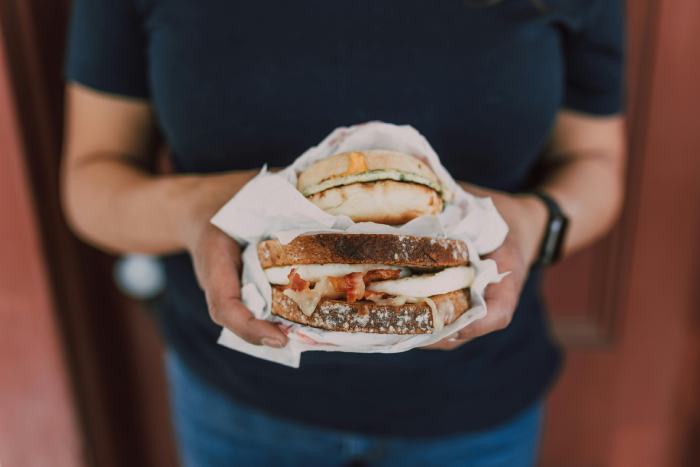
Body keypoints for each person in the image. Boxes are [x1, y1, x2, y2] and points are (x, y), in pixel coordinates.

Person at [61, 1, 626, 466]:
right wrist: (195, 210)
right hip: (236, 398)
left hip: (475, 407)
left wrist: (531, 223)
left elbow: (595, 161)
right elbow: (91, 181)